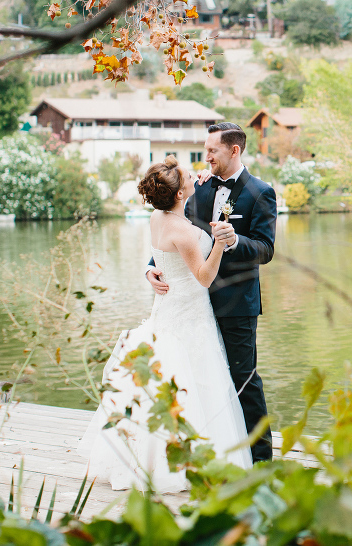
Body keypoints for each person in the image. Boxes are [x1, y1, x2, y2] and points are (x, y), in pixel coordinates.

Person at [80, 156, 252, 492]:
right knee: (197, 384)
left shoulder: (158, 218)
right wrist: (218, 244)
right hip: (189, 313)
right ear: (177, 195)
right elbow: (203, 277)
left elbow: (163, 257)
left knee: (164, 385)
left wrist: (150, 269)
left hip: (167, 309)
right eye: (189, 176)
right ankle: (185, 464)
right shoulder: (184, 232)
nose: (194, 175)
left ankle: (150, 456)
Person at [146, 122, 277, 464]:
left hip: (236, 305)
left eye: (212, 151)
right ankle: (206, 454)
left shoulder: (261, 193)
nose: (206, 157)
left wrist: (234, 240)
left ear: (234, 151)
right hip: (192, 306)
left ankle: (261, 462)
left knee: (244, 383)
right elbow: (176, 232)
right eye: (205, 151)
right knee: (196, 382)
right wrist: (150, 267)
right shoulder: (197, 188)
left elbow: (266, 248)